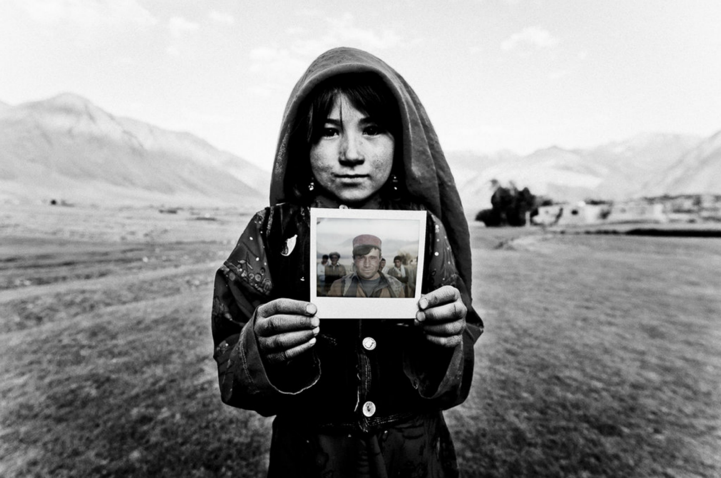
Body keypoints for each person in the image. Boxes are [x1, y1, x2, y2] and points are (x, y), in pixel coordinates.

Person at [211, 47, 483, 477]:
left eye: (371, 129)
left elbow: (458, 366)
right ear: (303, 141)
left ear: (401, 139)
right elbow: (230, 363)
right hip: (309, 460)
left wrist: (447, 338)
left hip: (411, 458)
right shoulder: (272, 233)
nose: (351, 153)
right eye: (329, 131)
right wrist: (259, 346)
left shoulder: (426, 232)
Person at [327, 234, 404, 298]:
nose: (367, 265)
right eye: (361, 258)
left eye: (372, 258)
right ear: (354, 259)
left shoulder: (395, 286)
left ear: (380, 259)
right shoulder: (339, 286)